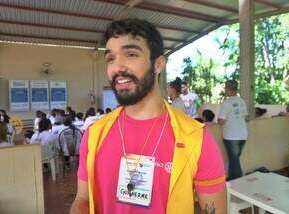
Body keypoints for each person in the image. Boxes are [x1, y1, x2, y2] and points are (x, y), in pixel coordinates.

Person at [70, 18, 226, 214]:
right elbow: (82, 199)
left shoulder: (196, 139)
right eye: (110, 58)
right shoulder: (94, 135)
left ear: (158, 64)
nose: (117, 67)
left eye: (131, 54)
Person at [218, 80, 248, 180]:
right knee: (234, 160)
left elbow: (221, 121)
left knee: (235, 162)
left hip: (231, 137)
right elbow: (245, 117)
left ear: (227, 89)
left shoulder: (226, 103)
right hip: (243, 135)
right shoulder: (242, 101)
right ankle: (231, 180)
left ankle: (240, 185)